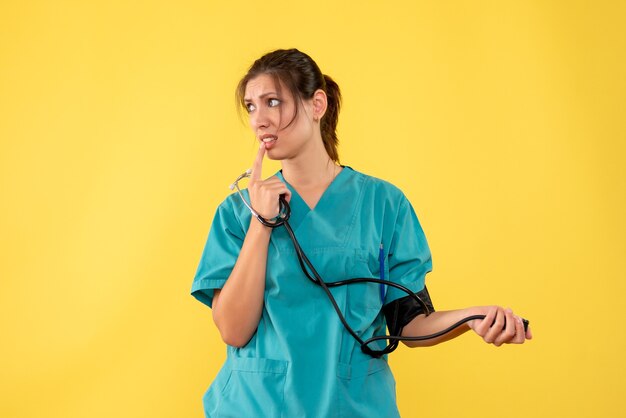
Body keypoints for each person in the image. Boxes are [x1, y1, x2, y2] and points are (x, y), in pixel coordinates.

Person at [191, 48, 532, 418]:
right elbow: (233, 330)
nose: (259, 119)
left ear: (316, 104)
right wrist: (261, 222)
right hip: (257, 406)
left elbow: (409, 323)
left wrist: (472, 318)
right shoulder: (236, 213)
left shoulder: (384, 204)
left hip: (352, 407)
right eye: (251, 106)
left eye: (272, 102)